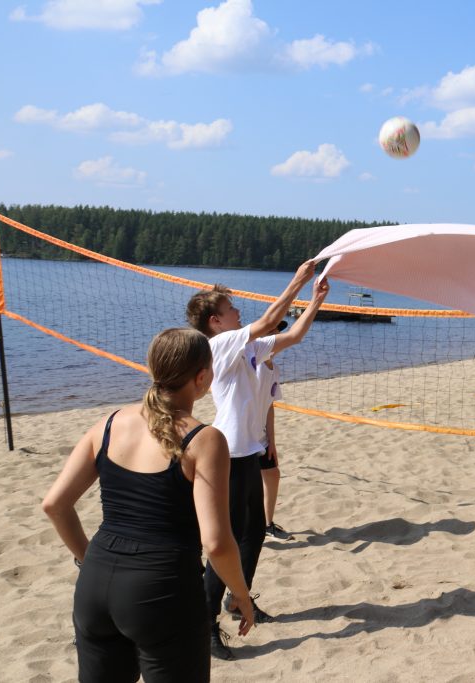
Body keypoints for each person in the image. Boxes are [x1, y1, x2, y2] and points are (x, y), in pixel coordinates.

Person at [42, 328, 255, 682]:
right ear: (202, 377)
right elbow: (216, 542)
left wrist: (88, 558)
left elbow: (54, 505)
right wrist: (241, 594)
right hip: (163, 590)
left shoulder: (109, 424)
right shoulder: (205, 439)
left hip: (95, 585)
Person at [186, 261, 328, 659]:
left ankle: (238, 599)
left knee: (253, 533)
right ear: (215, 321)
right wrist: (298, 280)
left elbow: (293, 334)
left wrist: (315, 301)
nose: (237, 312)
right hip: (226, 453)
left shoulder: (248, 347)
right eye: (230, 309)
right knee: (226, 541)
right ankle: (205, 622)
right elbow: (267, 321)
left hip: (248, 450)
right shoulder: (217, 346)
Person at [259, 320, 293, 540]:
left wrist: (271, 441)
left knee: (273, 474)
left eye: (278, 333)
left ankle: (267, 524)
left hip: (260, 437)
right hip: (242, 439)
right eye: (272, 333)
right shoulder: (251, 366)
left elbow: (269, 406)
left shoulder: (274, 369)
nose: (277, 337)